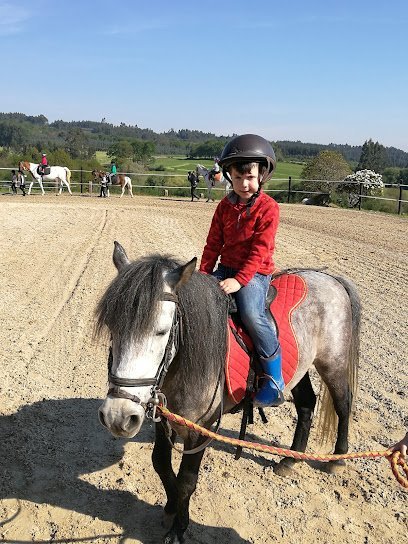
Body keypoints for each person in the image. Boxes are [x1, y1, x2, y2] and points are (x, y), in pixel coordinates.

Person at [199, 134, 284, 407]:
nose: (244, 184)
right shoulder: (224, 207)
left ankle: (274, 378)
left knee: (251, 313)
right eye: (238, 178)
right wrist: (203, 274)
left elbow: (259, 251)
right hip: (227, 267)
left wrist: (240, 280)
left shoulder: (269, 208)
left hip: (255, 273)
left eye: (249, 177)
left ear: (261, 176)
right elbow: (213, 243)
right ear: (229, 177)